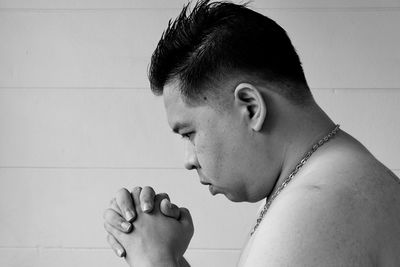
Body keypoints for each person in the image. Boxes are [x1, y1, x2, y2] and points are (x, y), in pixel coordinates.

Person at [103, 0, 400, 266]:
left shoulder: (309, 216)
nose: (188, 160)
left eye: (189, 133)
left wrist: (153, 260)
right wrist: (170, 257)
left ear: (250, 107)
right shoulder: (337, 179)